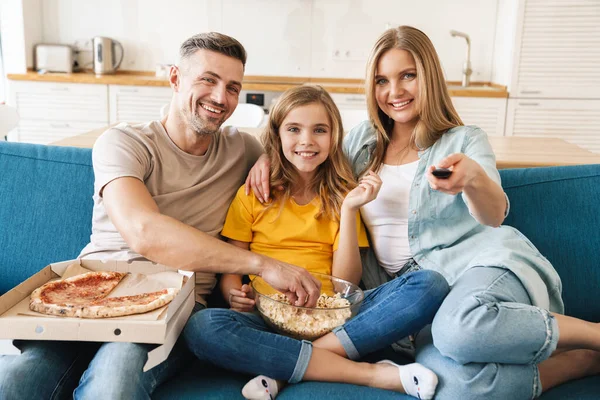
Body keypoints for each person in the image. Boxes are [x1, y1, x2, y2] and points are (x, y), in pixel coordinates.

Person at [250, 25, 600, 399]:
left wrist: (473, 179)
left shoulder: (464, 140)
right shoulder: (359, 142)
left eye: (408, 76)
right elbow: (308, 152)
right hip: (413, 298)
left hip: (474, 267)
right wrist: (264, 156)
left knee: (459, 330)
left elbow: (494, 215)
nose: (394, 91)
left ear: (428, 76)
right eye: (382, 80)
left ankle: (593, 335)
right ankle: (580, 362)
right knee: (453, 388)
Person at [0, 32, 321, 400]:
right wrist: (262, 264)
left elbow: (296, 148)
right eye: (207, 80)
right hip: (87, 294)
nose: (221, 98)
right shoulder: (123, 143)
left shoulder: (241, 149)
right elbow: (144, 232)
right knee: (18, 379)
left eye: (233, 87)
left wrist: (269, 157)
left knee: (113, 379)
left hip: (171, 309)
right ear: (174, 78)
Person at [184, 85, 449, 400]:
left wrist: (350, 209)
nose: (306, 141)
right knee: (203, 326)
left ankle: (284, 367)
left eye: (319, 130)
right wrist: (232, 295)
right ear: (278, 135)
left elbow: (345, 285)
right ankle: (372, 374)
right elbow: (231, 268)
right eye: (294, 129)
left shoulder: (343, 196)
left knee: (429, 284)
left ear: (334, 137)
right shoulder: (253, 194)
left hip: (332, 321)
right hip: (265, 319)